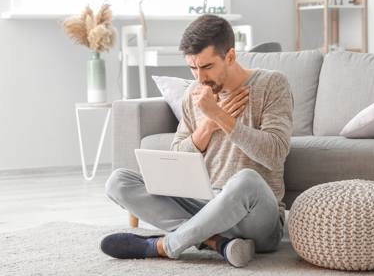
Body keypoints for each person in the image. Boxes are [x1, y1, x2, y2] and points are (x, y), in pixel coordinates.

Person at [99, 14, 294, 268]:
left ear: (230, 57)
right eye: (193, 67)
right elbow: (176, 153)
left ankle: (163, 245)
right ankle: (217, 242)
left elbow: (275, 153)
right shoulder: (194, 93)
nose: (199, 78)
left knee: (246, 179)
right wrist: (207, 125)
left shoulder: (271, 83)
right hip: (204, 207)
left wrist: (219, 115)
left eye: (207, 66)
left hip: (256, 218)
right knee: (118, 180)